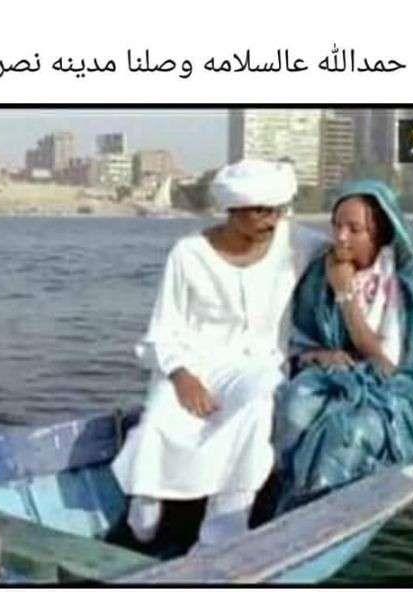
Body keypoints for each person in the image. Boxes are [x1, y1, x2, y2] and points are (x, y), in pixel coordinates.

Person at [111, 159, 327, 550]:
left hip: (258, 365)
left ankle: (223, 527)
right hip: (191, 363)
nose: (272, 220)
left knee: (257, 405)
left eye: (277, 210)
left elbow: (354, 251)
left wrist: (412, 264)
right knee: (161, 416)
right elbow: (163, 330)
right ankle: (144, 512)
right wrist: (182, 376)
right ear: (233, 210)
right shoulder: (189, 253)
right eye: (261, 211)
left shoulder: (296, 243)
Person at [273, 180, 413, 513]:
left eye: (354, 229)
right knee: (295, 406)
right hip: (328, 377)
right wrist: (320, 355)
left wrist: (345, 293)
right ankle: (284, 496)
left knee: (350, 429)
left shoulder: (399, 280)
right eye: (336, 226)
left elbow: (385, 361)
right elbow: (300, 340)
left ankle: (327, 505)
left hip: (391, 390)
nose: (341, 237)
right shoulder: (320, 271)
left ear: (379, 233)